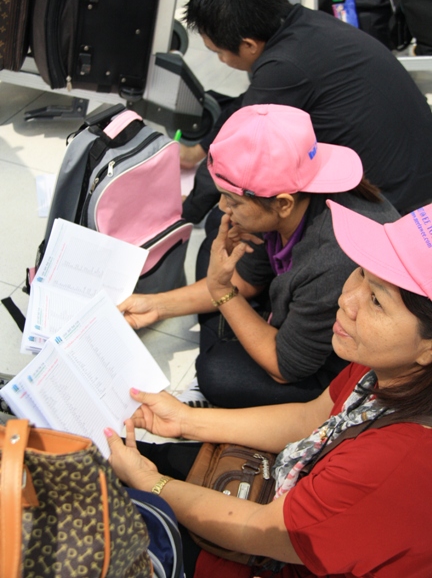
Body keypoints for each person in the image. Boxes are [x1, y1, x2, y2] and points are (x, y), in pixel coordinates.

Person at [106, 201, 432, 578]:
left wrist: (151, 484)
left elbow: (258, 528)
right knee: (121, 453)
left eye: (376, 299)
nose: (347, 299)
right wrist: (185, 420)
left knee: (105, 511)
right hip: (283, 492)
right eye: (360, 272)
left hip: (273, 548)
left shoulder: (397, 461)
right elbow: (311, 417)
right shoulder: (390, 363)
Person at [119, 104, 398, 408]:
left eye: (232, 200)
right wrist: (155, 305)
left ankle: (232, 347)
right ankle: (241, 337)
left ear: (283, 204)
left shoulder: (330, 260)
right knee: (215, 244)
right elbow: (247, 281)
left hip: (334, 362)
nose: (223, 206)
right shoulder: (295, 196)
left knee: (218, 374)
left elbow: (285, 368)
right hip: (300, 311)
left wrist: (221, 291)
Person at [180, 0, 432, 224]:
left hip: (398, 206)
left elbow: (235, 155)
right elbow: (249, 105)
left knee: (225, 223)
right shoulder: (307, 23)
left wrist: (185, 215)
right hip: (418, 170)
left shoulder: (284, 67)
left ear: (249, 45)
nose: (221, 60)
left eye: (219, 52)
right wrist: (198, 150)